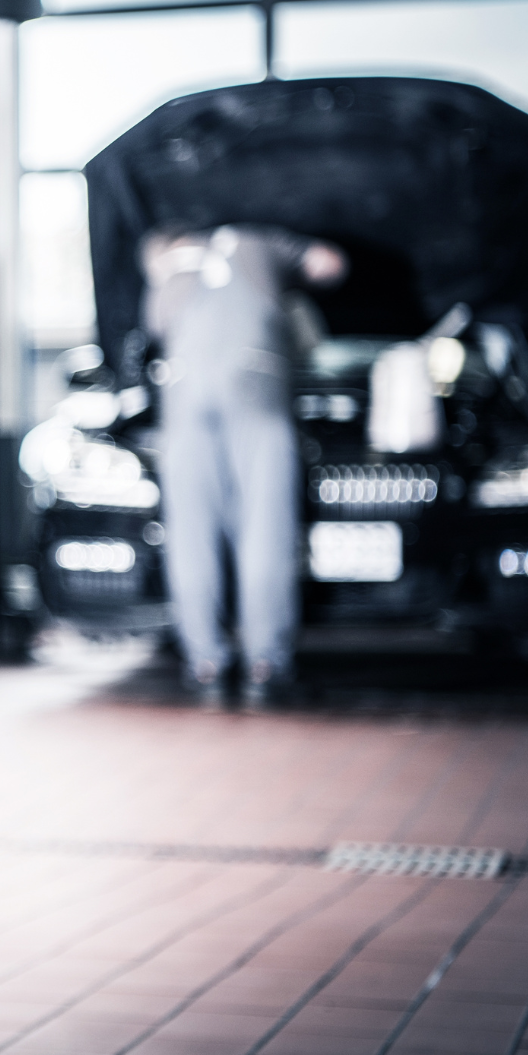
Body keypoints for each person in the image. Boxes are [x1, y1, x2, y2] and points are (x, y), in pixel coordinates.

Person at [142, 224, 348, 707]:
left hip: (183, 390)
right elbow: (329, 263)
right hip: (254, 377)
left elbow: (154, 330)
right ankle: (265, 660)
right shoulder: (257, 241)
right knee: (265, 525)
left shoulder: (166, 267)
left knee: (190, 532)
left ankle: (205, 659)